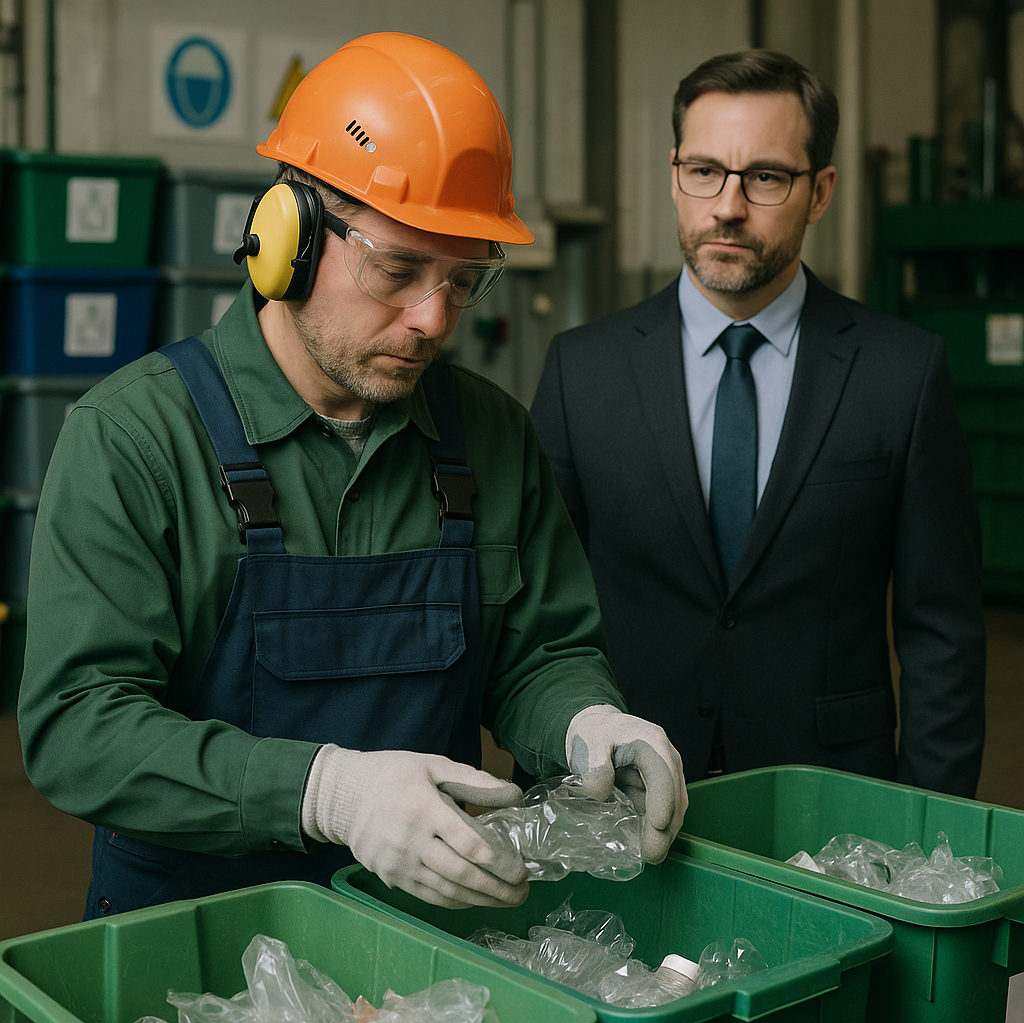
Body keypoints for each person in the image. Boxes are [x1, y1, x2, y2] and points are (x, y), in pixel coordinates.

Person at [18, 31, 685, 920]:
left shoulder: (489, 434)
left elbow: (539, 653)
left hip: (423, 949)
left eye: (463, 278)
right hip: (196, 947)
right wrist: (325, 792)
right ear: (284, 237)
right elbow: (79, 726)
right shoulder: (133, 439)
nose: (431, 318)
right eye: (399, 268)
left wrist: (586, 725)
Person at [530, 49, 985, 798]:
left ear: (820, 191)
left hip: (832, 799)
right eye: (704, 171)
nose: (728, 206)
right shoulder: (583, 373)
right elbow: (540, 619)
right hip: (619, 792)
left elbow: (945, 639)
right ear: (674, 173)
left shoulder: (901, 374)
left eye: (765, 176)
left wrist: (928, 828)